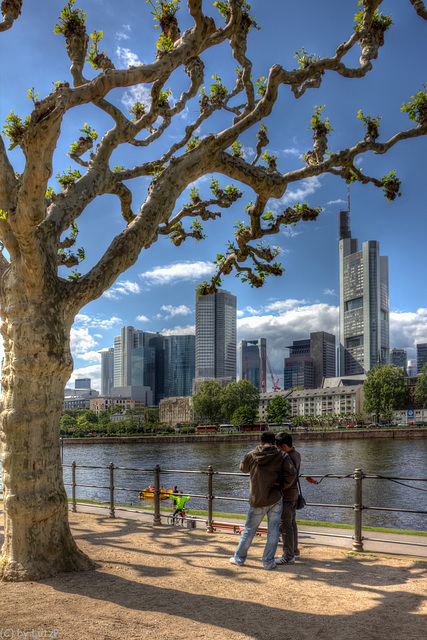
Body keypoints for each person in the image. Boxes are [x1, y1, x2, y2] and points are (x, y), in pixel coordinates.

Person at [230, 431, 296, 570]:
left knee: (249, 530)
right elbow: (292, 474)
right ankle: (268, 562)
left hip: (257, 498)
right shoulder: (281, 455)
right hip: (275, 498)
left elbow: (243, 469)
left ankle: (239, 558)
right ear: (274, 443)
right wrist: (281, 485)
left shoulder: (252, 454)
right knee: (273, 531)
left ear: (261, 442)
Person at [274, 432, 301, 565]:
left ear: (283, 446)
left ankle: (288, 555)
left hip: (288, 495)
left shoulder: (287, 457)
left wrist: (280, 485)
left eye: (278, 447)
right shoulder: (296, 454)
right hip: (294, 494)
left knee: (286, 526)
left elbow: (290, 477)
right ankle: (293, 551)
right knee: (291, 524)